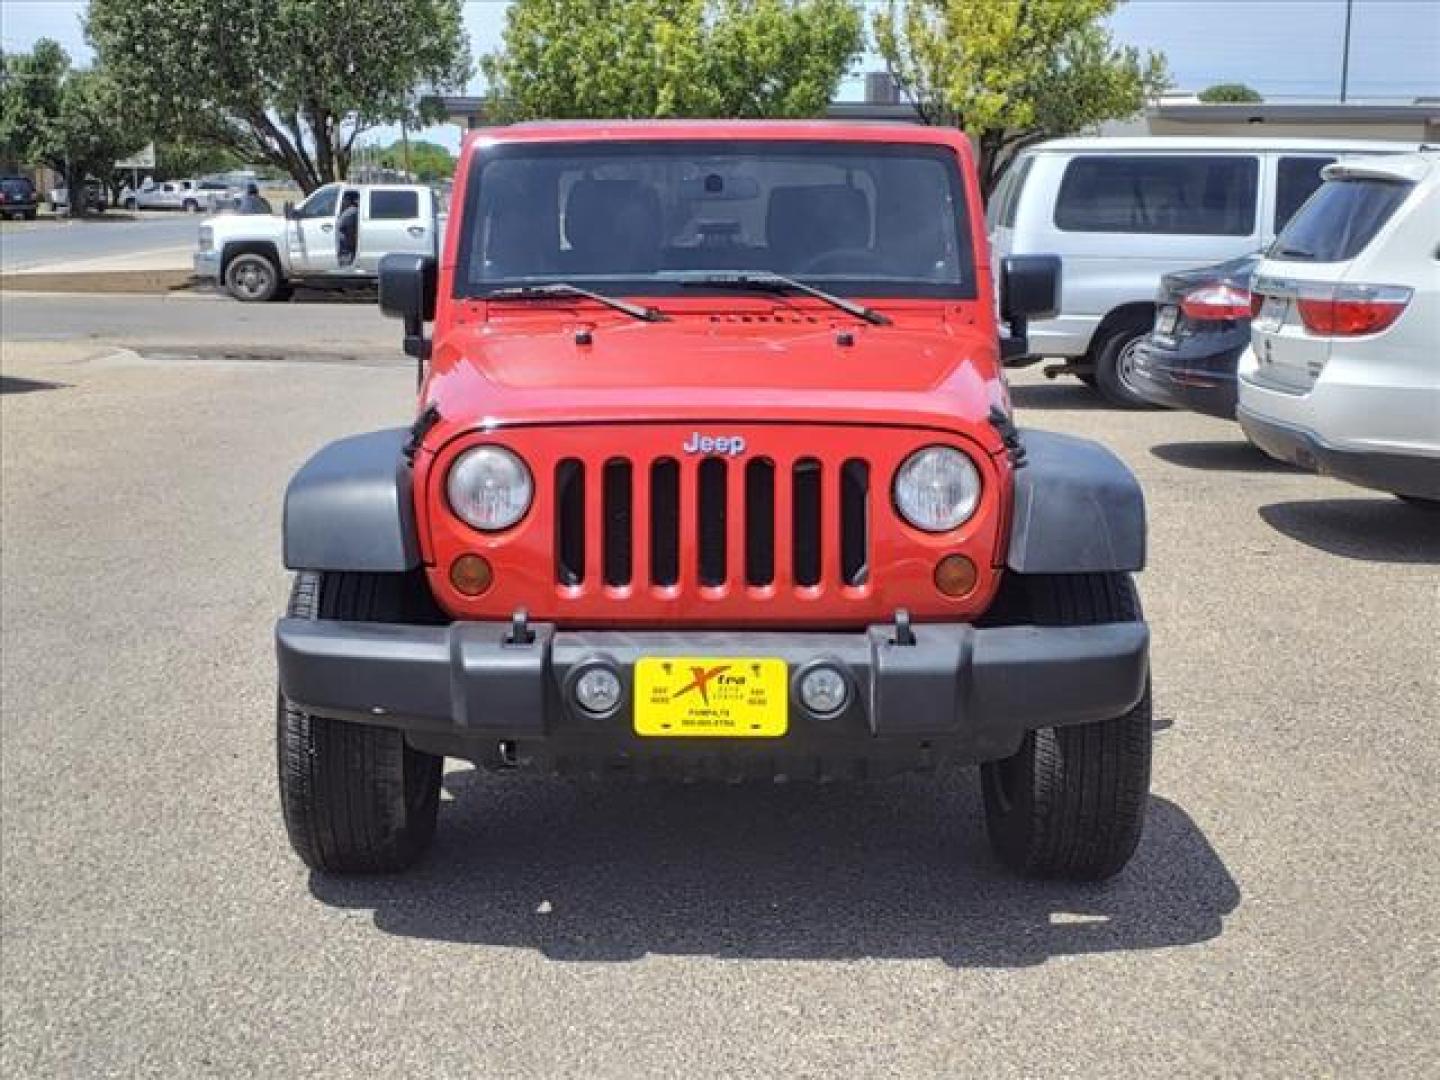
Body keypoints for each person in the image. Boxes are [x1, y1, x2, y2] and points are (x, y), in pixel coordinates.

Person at [336, 190, 360, 266]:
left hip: (347, 242)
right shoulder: (350, 211)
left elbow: (349, 229)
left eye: (344, 199)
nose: (342, 202)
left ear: (349, 200)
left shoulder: (351, 211)